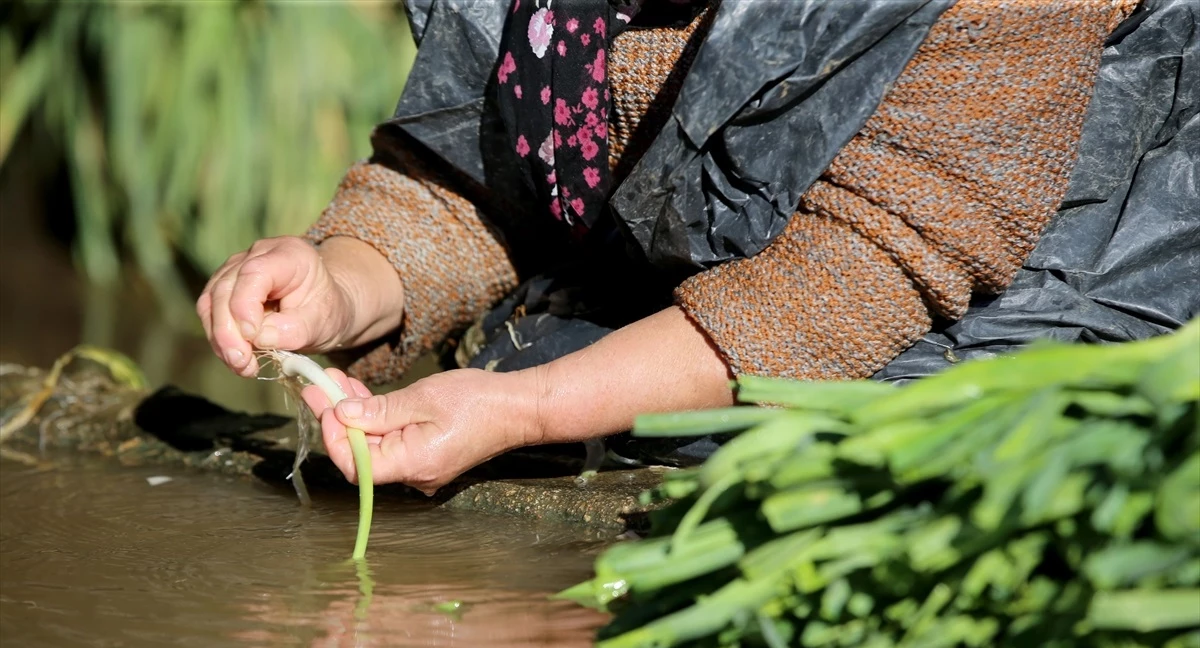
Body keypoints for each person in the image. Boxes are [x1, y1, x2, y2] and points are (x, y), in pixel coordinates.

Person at [197, 0, 1171, 496]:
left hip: (1039, 291)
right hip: (726, 261)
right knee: (534, 363)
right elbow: (488, 178)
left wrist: (527, 405)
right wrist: (347, 281)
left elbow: (865, 268)